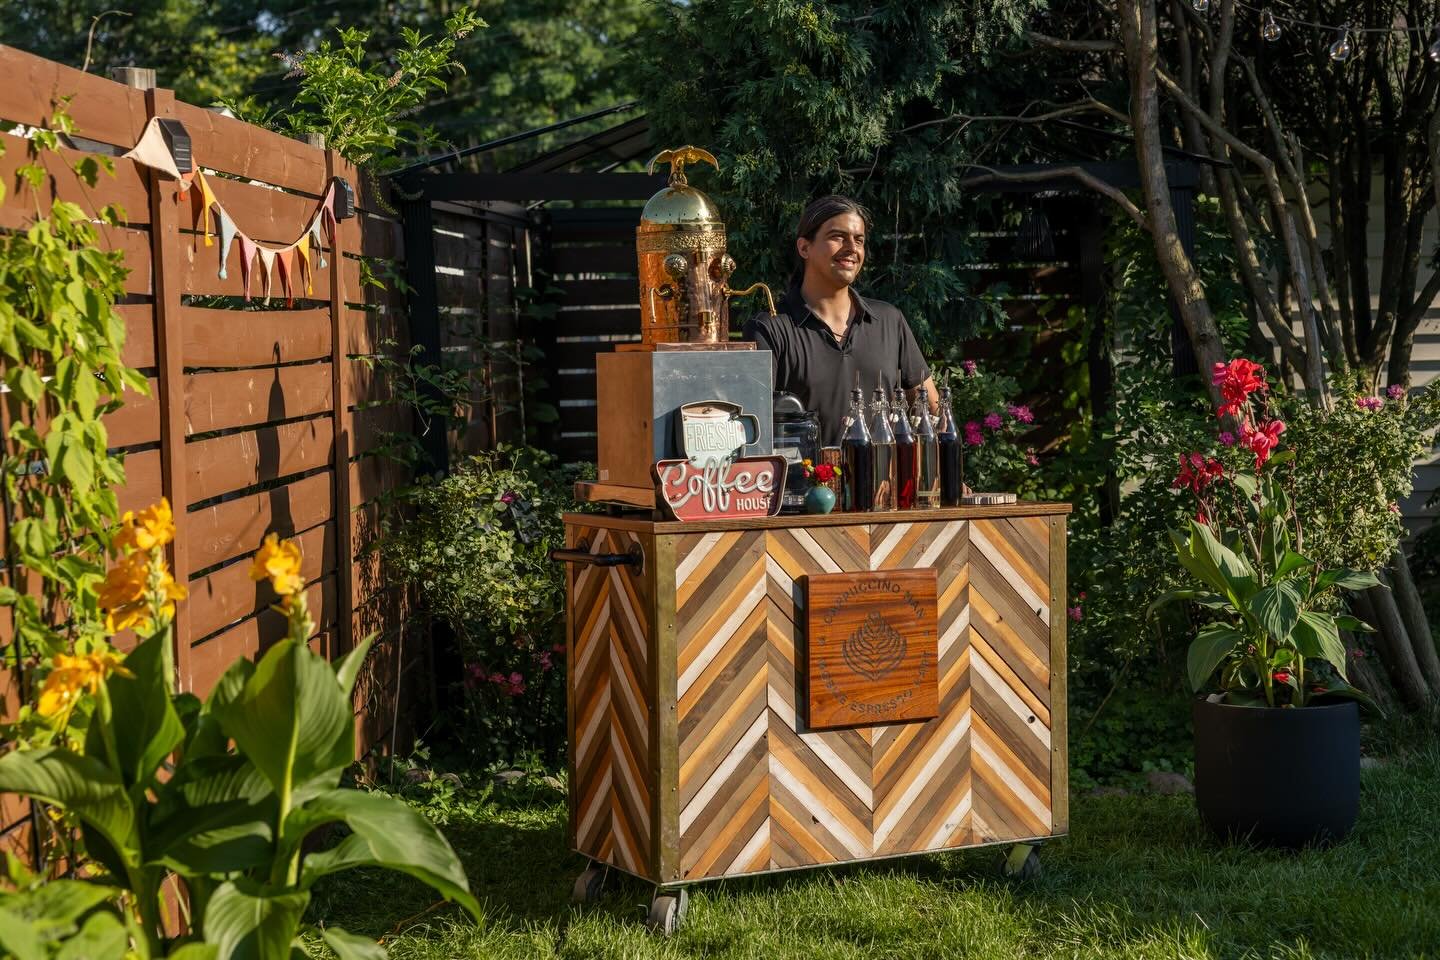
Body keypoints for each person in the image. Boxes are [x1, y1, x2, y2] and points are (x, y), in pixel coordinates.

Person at [742, 195, 939, 446]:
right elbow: (752, 429)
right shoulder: (770, 329)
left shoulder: (889, 321)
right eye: (838, 237)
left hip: (882, 471)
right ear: (804, 248)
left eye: (859, 240)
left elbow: (933, 412)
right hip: (805, 473)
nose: (852, 248)